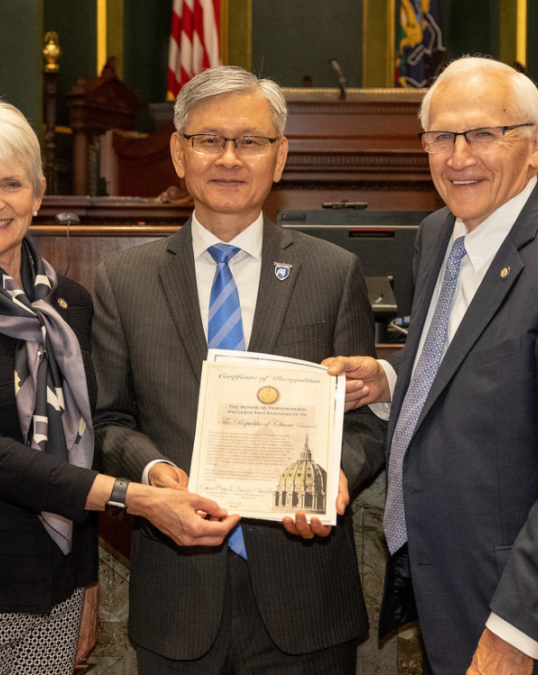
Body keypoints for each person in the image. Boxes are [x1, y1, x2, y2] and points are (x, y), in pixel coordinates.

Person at [0, 99, 238, 675]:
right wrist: (133, 498)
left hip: (55, 596)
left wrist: (85, 579)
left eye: (11, 183)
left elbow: (82, 442)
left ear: (38, 194)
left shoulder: (70, 304)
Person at [325, 57, 538, 675]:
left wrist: (513, 635)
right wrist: (391, 378)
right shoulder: (439, 231)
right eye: (441, 137)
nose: (458, 156)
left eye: (483, 134)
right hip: (449, 594)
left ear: (535, 145)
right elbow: (471, 353)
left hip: (533, 623)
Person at [92, 65, 385, 674]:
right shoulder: (125, 280)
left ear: (279, 158)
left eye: (250, 141)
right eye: (208, 140)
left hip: (306, 600)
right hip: (177, 600)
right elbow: (107, 421)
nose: (229, 158)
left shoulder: (333, 273)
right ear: (178, 152)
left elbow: (363, 422)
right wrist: (152, 470)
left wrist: (338, 477)